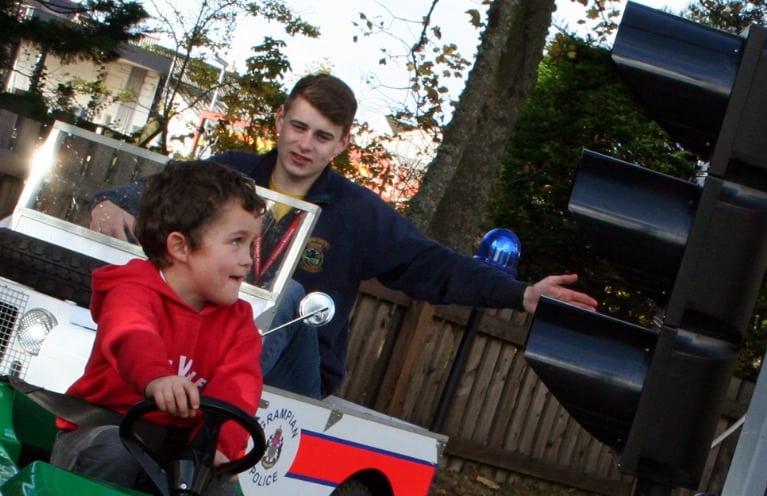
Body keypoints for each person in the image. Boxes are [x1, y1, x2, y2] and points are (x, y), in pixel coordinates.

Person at [89, 73, 598, 398]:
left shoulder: (358, 214)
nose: (304, 145)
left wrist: (520, 293)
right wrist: (111, 202)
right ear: (280, 120)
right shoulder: (227, 175)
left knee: (290, 294)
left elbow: (432, 266)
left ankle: (213, 408)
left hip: (291, 371)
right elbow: (156, 196)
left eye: (323, 136)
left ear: (342, 144)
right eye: (299, 127)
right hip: (193, 349)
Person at [51, 159, 264, 496]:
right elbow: (131, 335)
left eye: (250, 244)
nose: (247, 260)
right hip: (101, 431)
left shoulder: (239, 324)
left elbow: (238, 390)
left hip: (176, 454)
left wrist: (221, 448)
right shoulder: (132, 290)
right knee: (116, 453)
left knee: (219, 485)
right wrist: (156, 378)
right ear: (180, 247)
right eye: (236, 242)